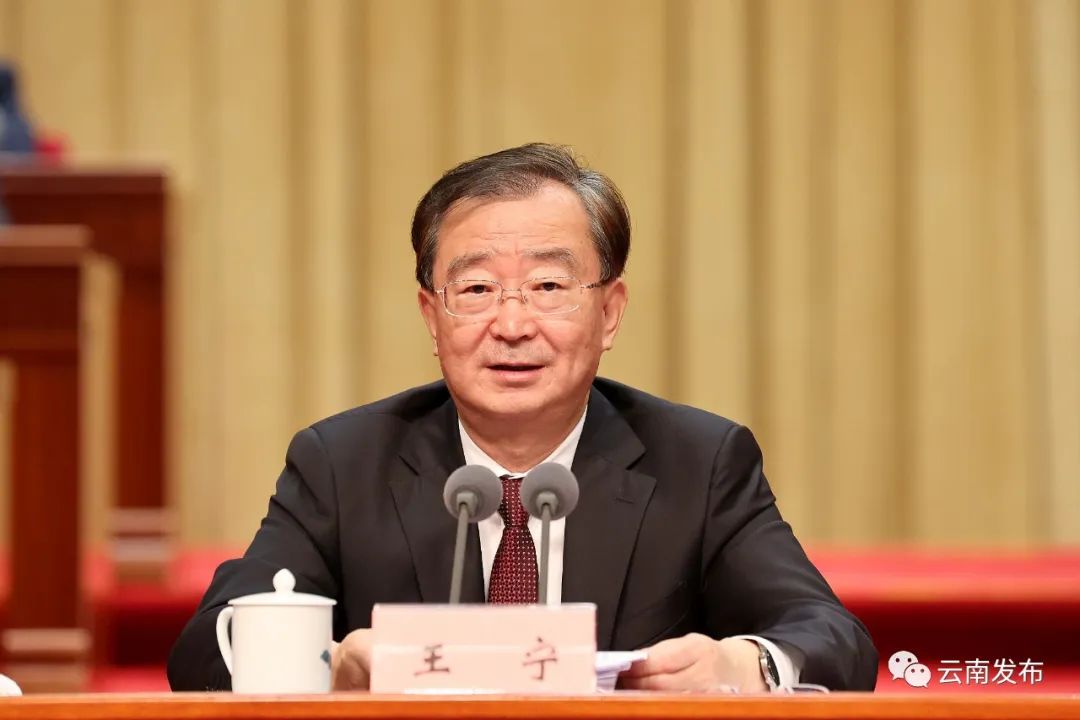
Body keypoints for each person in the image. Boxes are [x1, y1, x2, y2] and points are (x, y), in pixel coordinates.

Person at [168, 143, 878, 693]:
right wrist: (331, 665)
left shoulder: (698, 460)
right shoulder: (342, 462)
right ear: (432, 316)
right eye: (477, 289)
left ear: (609, 313)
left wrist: (744, 663)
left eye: (547, 285)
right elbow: (202, 653)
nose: (512, 325)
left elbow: (833, 639)